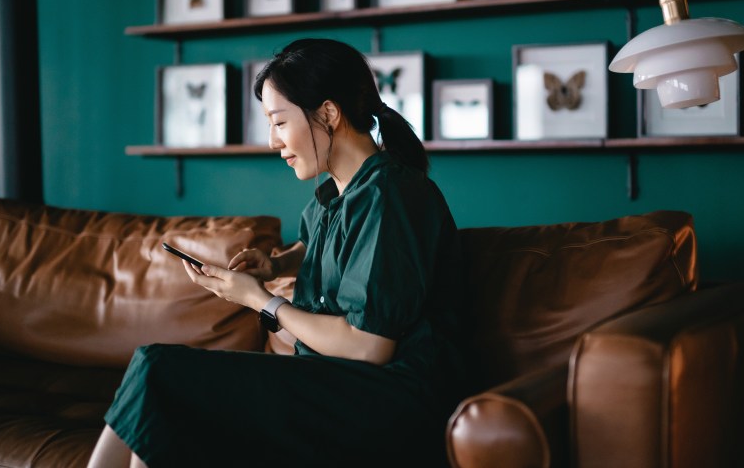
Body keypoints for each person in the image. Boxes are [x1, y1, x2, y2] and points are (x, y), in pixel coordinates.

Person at [87, 38, 467, 468]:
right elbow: (325, 244)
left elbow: (369, 347)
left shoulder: (391, 195)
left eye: (279, 122)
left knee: (159, 368)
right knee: (168, 395)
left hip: (389, 402)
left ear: (328, 113)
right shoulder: (336, 194)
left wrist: (261, 300)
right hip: (331, 385)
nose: (272, 141)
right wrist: (277, 264)